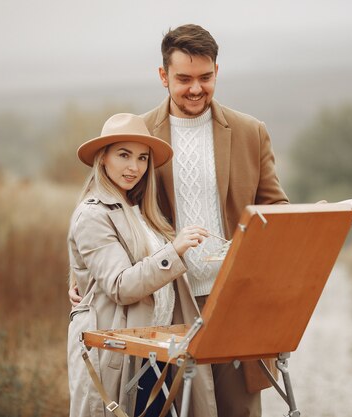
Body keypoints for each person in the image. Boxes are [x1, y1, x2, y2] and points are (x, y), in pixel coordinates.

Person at [70, 24, 289, 417]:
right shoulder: (139, 138)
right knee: (178, 410)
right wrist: (83, 278)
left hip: (234, 300)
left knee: (240, 410)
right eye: (183, 78)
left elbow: (275, 212)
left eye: (205, 78)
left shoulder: (250, 132)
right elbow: (106, 218)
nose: (195, 88)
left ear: (217, 72)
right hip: (165, 304)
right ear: (163, 76)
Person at [66, 113, 218, 417]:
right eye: (124, 155)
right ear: (103, 158)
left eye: (142, 158)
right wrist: (174, 251)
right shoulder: (93, 215)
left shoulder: (143, 213)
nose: (134, 167)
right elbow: (122, 286)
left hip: (154, 348)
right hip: (118, 353)